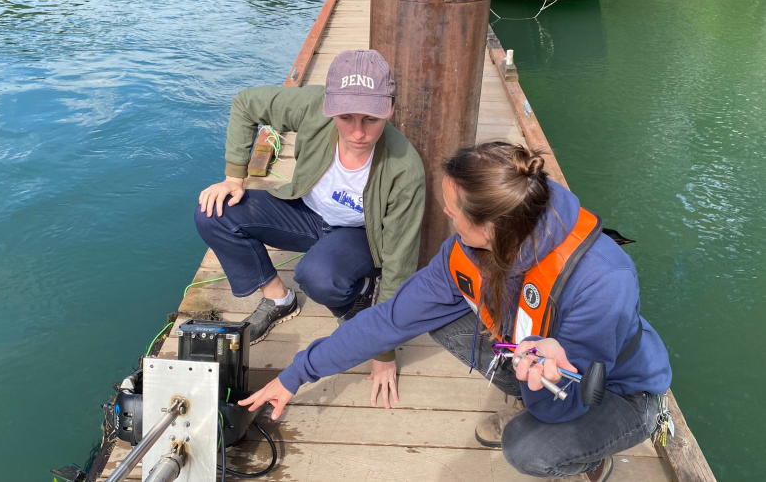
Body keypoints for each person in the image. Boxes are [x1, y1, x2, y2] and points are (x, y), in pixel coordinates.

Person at [239, 142, 673, 481]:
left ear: (491, 227)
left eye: (452, 207)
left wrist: (541, 383)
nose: (444, 210)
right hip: (536, 360)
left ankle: (602, 447)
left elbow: (566, 403)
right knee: (439, 317)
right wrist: (296, 373)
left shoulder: (603, 279)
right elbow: (389, 320)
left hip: (616, 388)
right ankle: (528, 392)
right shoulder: (467, 248)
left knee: (528, 448)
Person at [195, 50, 426, 406]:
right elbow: (245, 104)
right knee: (214, 211)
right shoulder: (312, 105)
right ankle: (278, 300)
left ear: (390, 108)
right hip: (304, 210)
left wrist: (384, 352)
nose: (359, 133)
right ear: (330, 106)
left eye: (372, 119)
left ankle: (360, 290)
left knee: (317, 276)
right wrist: (233, 177)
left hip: (358, 234)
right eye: (345, 117)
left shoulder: (405, 169)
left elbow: (400, 263)